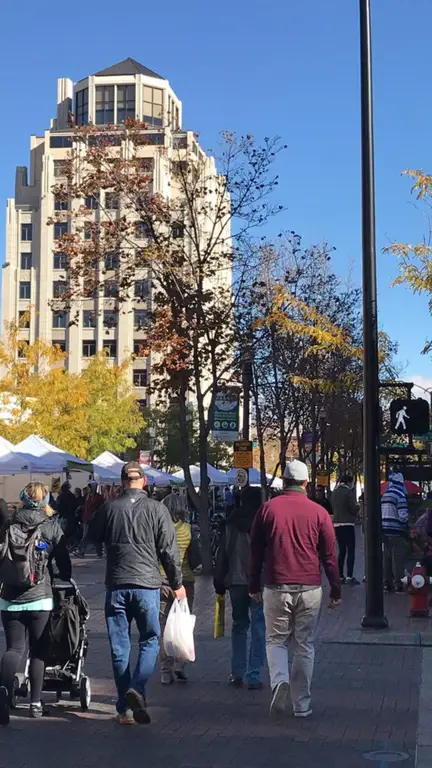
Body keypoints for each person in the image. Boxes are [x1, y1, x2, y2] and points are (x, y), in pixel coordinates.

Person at [89, 462, 185, 726]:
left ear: (122, 482)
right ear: (144, 482)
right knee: (150, 640)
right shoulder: (157, 509)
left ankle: (124, 709)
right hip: (147, 585)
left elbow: (91, 535)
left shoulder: (109, 509)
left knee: (120, 648)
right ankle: (137, 688)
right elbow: (168, 550)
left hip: (117, 584)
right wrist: (176, 583)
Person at [249, 459, 341, 719]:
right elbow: (330, 556)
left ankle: (280, 682)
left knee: (275, 640)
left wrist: (253, 584)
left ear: (284, 482)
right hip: (310, 586)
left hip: (276, 584)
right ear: (306, 483)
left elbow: (255, 552)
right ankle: (302, 704)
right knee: (305, 644)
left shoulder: (267, 510)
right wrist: (336, 589)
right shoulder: (319, 512)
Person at [0, 482, 71, 725]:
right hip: (40, 597)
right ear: (45, 500)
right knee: (39, 651)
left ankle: (3, 696)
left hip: (9, 598)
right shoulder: (50, 526)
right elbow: (64, 563)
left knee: (13, 649)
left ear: (22, 498)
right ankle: (36, 703)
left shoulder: (8, 524)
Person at [214, 485, 266, 691]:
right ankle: (254, 674)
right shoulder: (263, 522)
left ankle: (237, 672)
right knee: (259, 627)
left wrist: (219, 578)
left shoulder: (231, 522)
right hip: (259, 581)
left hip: (236, 580)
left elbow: (223, 553)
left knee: (239, 625)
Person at [159, 492, 200, 685]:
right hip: (185, 583)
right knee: (182, 623)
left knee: (163, 627)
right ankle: (180, 663)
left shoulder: (160, 529)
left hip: (161, 582)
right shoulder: (188, 530)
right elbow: (196, 559)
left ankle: (165, 672)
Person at [382, 472, 409, 593]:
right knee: (397, 559)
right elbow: (403, 516)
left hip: (384, 530)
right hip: (396, 531)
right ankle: (398, 584)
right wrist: (405, 526)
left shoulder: (385, 495)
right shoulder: (400, 495)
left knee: (387, 558)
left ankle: (387, 584)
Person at [331, 474, 359, 585]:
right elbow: (352, 508)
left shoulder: (335, 492)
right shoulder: (348, 492)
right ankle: (349, 576)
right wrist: (357, 507)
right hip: (348, 523)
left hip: (337, 524)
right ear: (349, 482)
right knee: (351, 550)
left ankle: (340, 575)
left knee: (342, 551)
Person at [76, 481, 104, 558]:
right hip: (87, 519)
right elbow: (86, 507)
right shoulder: (87, 496)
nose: (88, 489)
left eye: (89, 487)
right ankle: (81, 552)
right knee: (85, 536)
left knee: (97, 537)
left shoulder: (99, 497)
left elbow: (101, 508)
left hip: (95, 520)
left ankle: (99, 553)